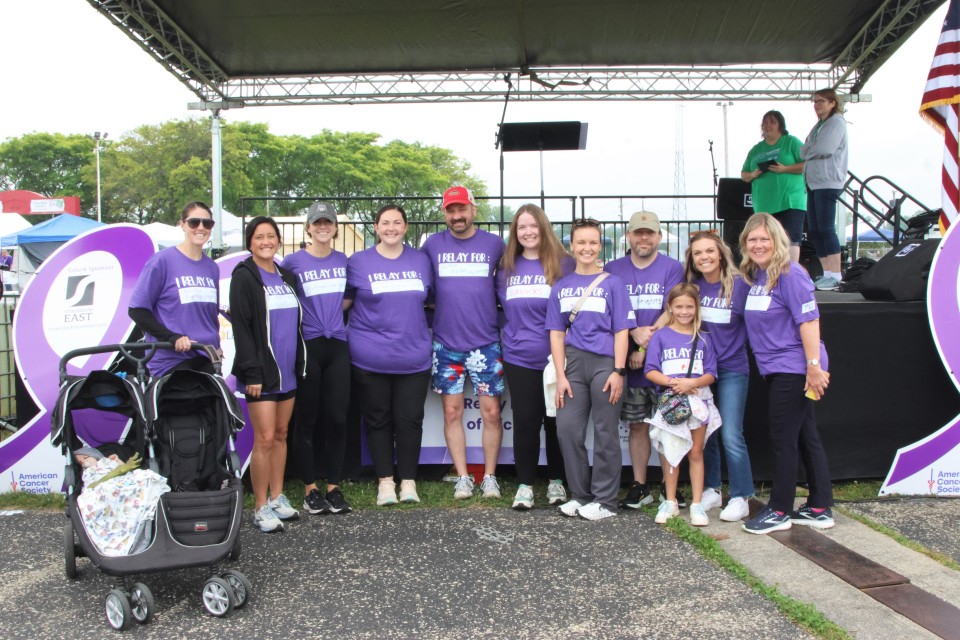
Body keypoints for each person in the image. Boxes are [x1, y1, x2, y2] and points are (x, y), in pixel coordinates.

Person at [739, 213, 834, 534]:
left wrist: (813, 368)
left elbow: (808, 321)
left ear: (778, 241)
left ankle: (779, 509)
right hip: (780, 369)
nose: (758, 244)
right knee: (806, 436)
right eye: (752, 239)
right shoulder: (757, 275)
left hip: (795, 369)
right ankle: (820, 506)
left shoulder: (790, 274)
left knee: (783, 439)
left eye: (764, 238)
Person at [421, 186, 505, 500]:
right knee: (452, 413)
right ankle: (462, 477)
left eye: (461, 209)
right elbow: (424, 291)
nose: (456, 216)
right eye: (450, 210)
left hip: (485, 343)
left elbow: (506, 285)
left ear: (473, 209)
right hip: (446, 344)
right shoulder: (432, 245)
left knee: (492, 413)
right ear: (445, 213)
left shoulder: (494, 245)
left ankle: (491, 477)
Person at [547, 219, 633, 521]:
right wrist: (561, 376)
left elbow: (622, 329)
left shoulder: (613, 283)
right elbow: (556, 333)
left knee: (605, 430)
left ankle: (606, 501)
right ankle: (582, 496)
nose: (587, 248)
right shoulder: (561, 286)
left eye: (593, 242)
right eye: (581, 242)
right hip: (572, 363)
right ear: (572, 246)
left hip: (605, 363)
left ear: (600, 246)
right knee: (567, 429)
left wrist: (618, 371)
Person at [346, 204, 433, 505]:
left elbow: (432, 300)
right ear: (376, 226)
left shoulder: (422, 261)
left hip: (414, 357)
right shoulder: (357, 262)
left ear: (406, 227)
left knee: (410, 420)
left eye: (397, 222)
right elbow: (344, 304)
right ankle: (385, 482)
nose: (391, 228)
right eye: (385, 223)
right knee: (378, 421)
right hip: (370, 357)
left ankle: (408, 482)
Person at [230, 216, 306, 533]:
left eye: (271, 236)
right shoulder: (243, 277)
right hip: (260, 374)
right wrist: (251, 372)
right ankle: (260, 506)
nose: (266, 241)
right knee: (263, 439)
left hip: (287, 371)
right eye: (259, 236)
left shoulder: (287, 276)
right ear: (250, 242)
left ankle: (277, 497)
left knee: (280, 434)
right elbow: (242, 329)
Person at [603, 211, 684, 509]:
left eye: (650, 233)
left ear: (659, 237)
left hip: (663, 362)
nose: (644, 238)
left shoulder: (672, 267)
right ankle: (639, 485)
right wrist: (632, 336)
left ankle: (669, 486)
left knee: (667, 425)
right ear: (629, 235)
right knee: (637, 425)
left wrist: (643, 346)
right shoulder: (613, 268)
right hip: (629, 362)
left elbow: (674, 308)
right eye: (638, 232)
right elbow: (609, 311)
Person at [496, 204, 574, 510]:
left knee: (556, 422)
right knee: (526, 421)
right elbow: (496, 308)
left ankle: (557, 481)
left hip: (557, 359)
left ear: (544, 228)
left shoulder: (564, 264)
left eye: (533, 226)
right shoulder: (506, 267)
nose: (528, 232)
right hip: (519, 356)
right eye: (521, 227)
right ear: (515, 233)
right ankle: (525, 485)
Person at [280, 202, 352, 516]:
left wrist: (332, 317)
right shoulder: (292, 262)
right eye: (317, 222)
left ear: (335, 228)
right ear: (308, 228)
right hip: (308, 347)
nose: (323, 227)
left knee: (337, 418)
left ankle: (334, 486)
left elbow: (349, 298)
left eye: (328, 222)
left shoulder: (344, 261)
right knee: (306, 419)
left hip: (337, 344)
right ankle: (310, 488)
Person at [684, 232, 754, 522]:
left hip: (732, 369)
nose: (704, 257)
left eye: (709, 251)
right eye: (698, 253)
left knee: (730, 433)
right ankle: (712, 488)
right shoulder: (693, 288)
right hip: (701, 371)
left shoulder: (740, 287)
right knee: (706, 432)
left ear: (721, 253)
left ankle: (741, 495)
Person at [644, 283, 720, 527]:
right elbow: (650, 370)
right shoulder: (661, 336)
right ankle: (670, 500)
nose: (684, 311)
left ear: (697, 308)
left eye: (689, 306)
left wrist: (693, 383)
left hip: (697, 402)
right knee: (670, 453)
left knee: (696, 452)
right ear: (670, 308)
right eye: (679, 307)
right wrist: (672, 382)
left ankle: (697, 503)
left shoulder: (704, 337)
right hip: (671, 402)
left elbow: (712, 372)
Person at [129, 201, 221, 376]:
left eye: (207, 223)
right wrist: (172, 337)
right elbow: (137, 310)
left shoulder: (212, 268)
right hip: (171, 362)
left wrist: (217, 348)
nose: (201, 227)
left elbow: (209, 317)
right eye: (194, 222)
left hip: (207, 359)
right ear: (183, 225)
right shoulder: (162, 261)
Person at [740, 110, 806, 263]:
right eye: (765, 122)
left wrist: (785, 169)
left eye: (772, 122)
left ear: (780, 125)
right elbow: (744, 174)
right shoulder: (756, 149)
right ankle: (769, 274)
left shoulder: (791, 142)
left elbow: (808, 165)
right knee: (766, 240)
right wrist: (753, 174)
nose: (768, 125)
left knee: (790, 238)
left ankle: (790, 275)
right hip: (764, 204)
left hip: (790, 200)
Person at [801, 88, 849, 291]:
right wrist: (811, 150)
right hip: (813, 182)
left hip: (828, 181)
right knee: (815, 229)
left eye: (821, 101)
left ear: (832, 103)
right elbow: (804, 149)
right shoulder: (819, 125)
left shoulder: (836, 122)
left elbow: (824, 149)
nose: (817, 104)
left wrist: (810, 150)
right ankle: (826, 272)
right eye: (815, 101)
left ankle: (836, 274)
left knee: (826, 227)